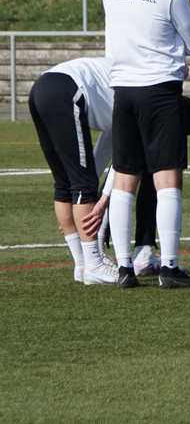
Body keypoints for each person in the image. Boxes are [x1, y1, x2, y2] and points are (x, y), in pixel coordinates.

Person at [100, 0, 190, 289]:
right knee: (167, 177)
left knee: (126, 177)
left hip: (122, 89)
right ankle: (171, 268)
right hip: (159, 89)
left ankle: (125, 267)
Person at [29, 57, 118, 285]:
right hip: (66, 90)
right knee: (81, 184)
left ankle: (81, 265)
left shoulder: (135, 79)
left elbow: (107, 151)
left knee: (65, 184)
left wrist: (90, 179)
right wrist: (101, 196)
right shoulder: (143, 101)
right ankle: (94, 266)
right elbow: (124, 163)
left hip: (41, 86)